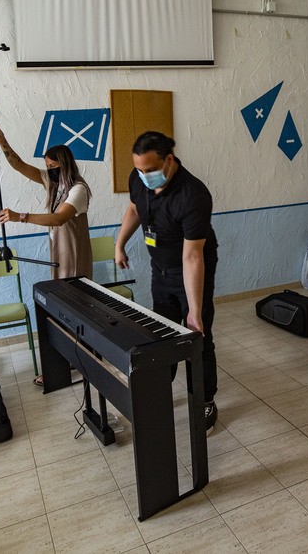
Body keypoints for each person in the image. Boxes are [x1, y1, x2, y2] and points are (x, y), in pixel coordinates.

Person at [115, 132, 220, 434]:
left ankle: (205, 401)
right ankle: (161, 392)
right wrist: (120, 243)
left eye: (150, 169)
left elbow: (192, 257)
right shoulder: (139, 179)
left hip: (190, 268)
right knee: (162, 336)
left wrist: (195, 310)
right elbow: (135, 208)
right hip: (159, 268)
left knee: (196, 337)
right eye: (139, 169)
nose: (143, 175)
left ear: (169, 160)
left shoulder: (192, 195)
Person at [0, 124, 93, 387]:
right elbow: (19, 165)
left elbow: (59, 218)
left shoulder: (78, 189)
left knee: (71, 310)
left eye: (53, 166)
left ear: (65, 164)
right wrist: (2, 140)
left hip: (74, 255)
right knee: (62, 310)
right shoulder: (53, 183)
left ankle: (73, 360)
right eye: (47, 167)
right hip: (58, 252)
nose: (49, 171)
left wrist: (20, 217)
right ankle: (69, 359)